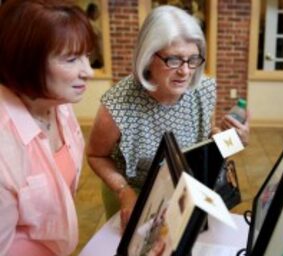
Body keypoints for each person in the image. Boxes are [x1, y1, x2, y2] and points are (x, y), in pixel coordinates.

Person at [86, 5, 250, 231]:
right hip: (133, 192)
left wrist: (232, 139)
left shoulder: (201, 90)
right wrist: (123, 191)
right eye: (173, 60)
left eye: (193, 59)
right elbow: (96, 155)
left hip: (183, 187)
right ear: (147, 57)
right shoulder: (118, 105)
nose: (185, 71)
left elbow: (204, 140)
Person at [0, 0, 94, 256]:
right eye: (71, 60)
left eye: (87, 57)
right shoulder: (4, 143)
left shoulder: (58, 105)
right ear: (26, 60)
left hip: (51, 255)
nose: (88, 71)